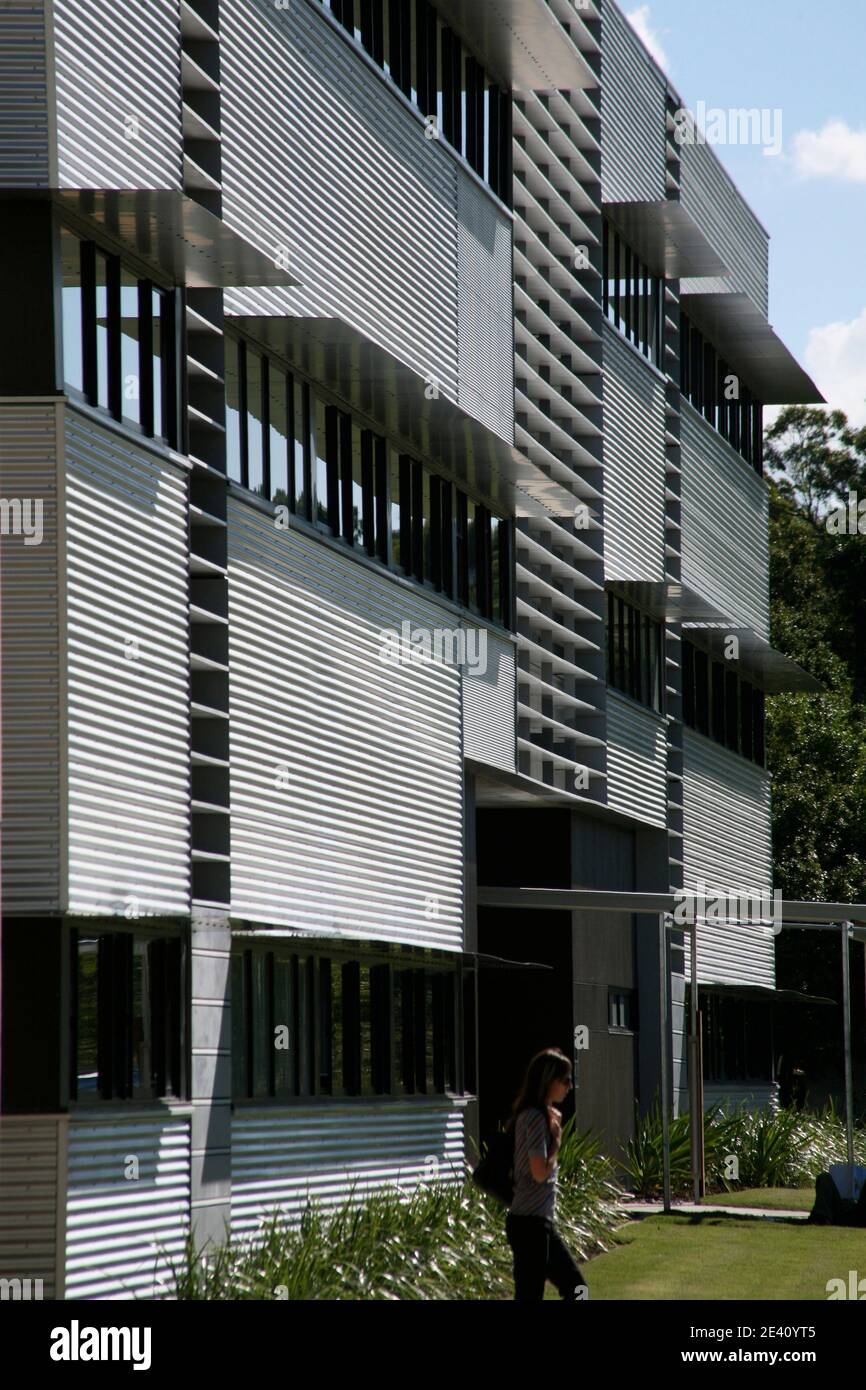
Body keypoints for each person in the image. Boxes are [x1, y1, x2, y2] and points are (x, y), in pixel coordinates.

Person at [504, 1046, 588, 1302]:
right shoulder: (535, 1118)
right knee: (570, 1289)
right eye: (565, 1080)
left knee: (574, 1288)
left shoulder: (535, 1116)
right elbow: (540, 1172)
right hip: (530, 1224)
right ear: (548, 1081)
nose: (569, 1086)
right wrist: (557, 1141)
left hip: (535, 1222)